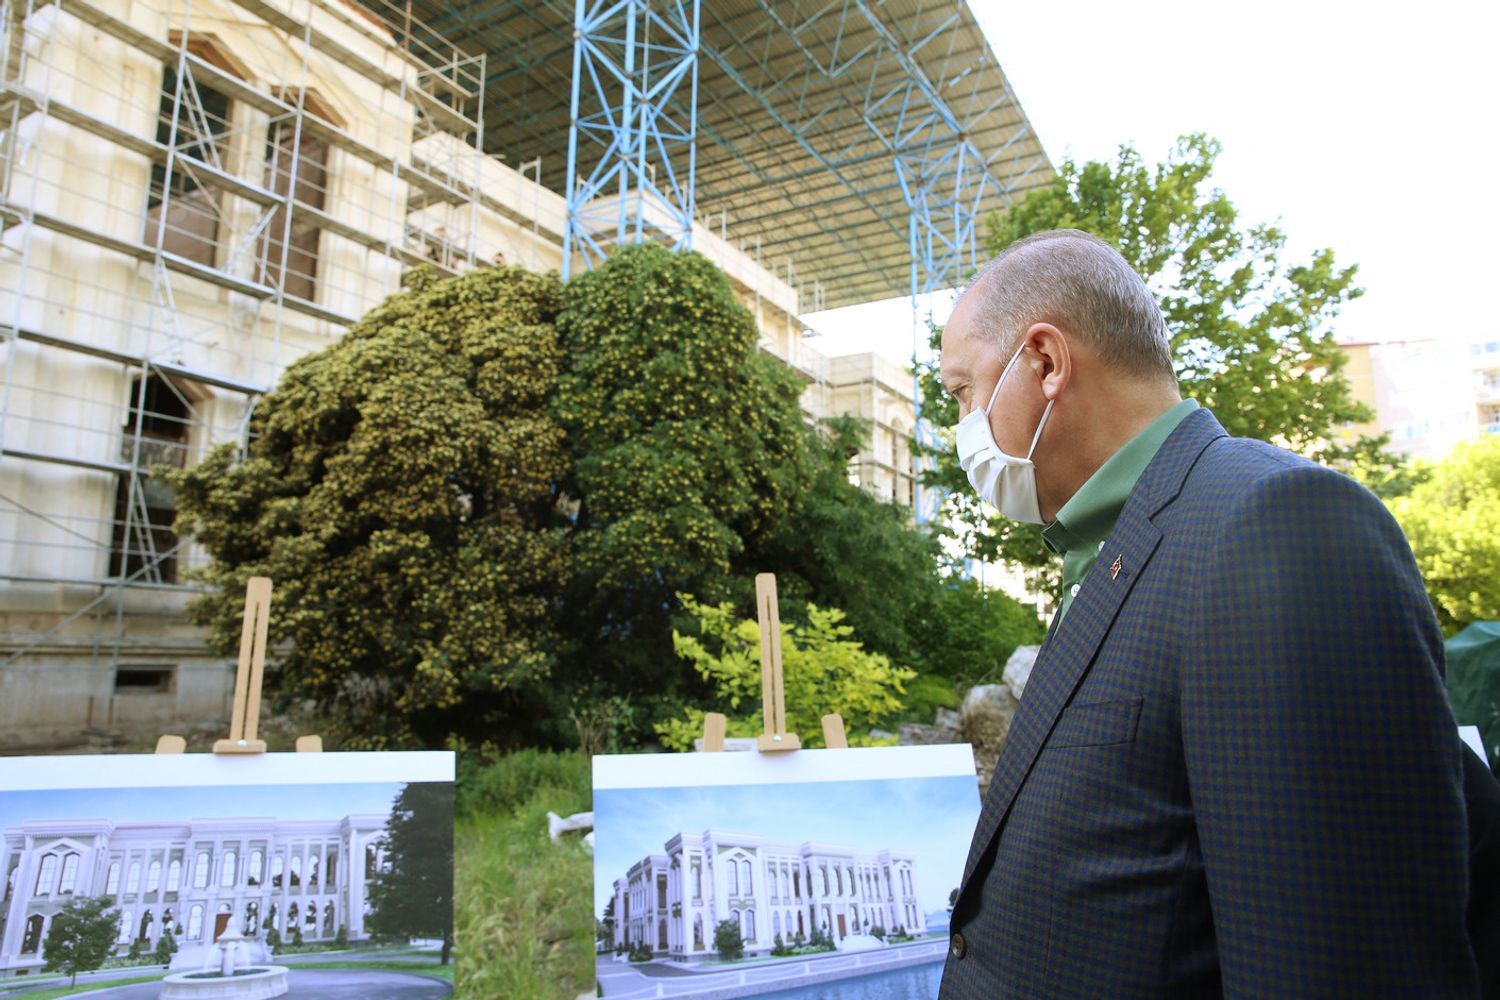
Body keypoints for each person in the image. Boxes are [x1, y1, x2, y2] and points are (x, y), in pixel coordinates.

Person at [937, 229, 1486, 997]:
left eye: (962, 392)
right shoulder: (1109, 550)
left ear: (1046, 363)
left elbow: (1340, 961)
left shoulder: (1278, 526)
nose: (961, 426)